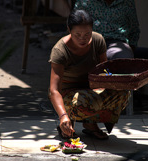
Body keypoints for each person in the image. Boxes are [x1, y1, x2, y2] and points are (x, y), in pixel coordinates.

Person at [48, 9, 130, 140]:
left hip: (91, 89)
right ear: (69, 30)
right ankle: (67, 122)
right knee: (85, 101)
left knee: (122, 93)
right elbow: (54, 90)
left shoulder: (98, 41)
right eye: (77, 34)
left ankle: (90, 124)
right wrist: (63, 116)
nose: (82, 39)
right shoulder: (60, 50)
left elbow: (104, 69)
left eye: (87, 34)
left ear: (92, 30)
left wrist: (115, 81)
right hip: (67, 93)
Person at [74, 0, 140, 60]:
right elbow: (74, 25)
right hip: (90, 41)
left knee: (123, 60)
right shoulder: (85, 2)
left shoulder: (127, 2)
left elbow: (134, 29)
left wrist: (130, 49)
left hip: (118, 41)